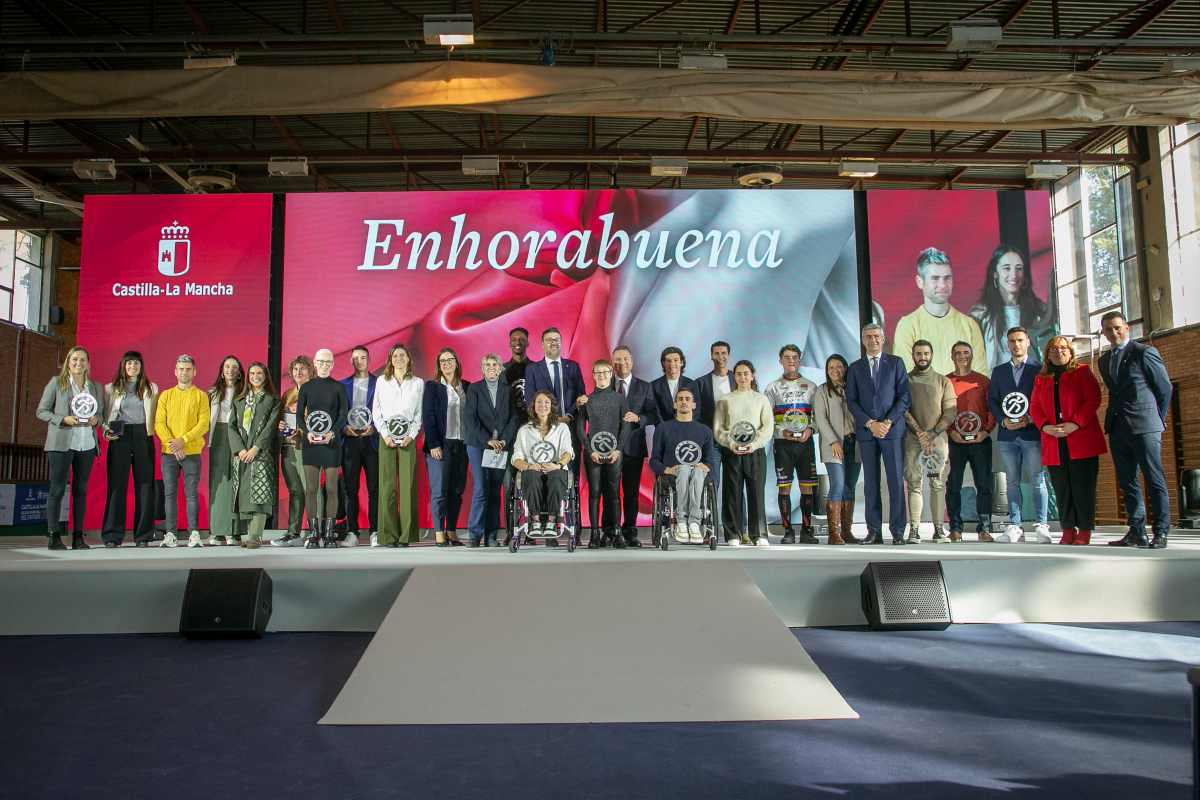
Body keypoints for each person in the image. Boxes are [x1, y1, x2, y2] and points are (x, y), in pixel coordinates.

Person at [1099, 311, 1173, 548]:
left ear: (1127, 328)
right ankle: (1136, 531)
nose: (1114, 333)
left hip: (1145, 426)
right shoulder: (1103, 360)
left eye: (1117, 328)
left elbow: (1164, 389)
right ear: (1103, 332)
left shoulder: (1144, 352)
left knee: (1154, 478)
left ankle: (1161, 532)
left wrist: (1156, 419)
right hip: (1118, 427)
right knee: (1127, 481)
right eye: (1109, 329)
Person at [1030, 336, 1107, 546]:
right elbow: (1034, 407)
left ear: (1070, 352)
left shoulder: (1082, 371)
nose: (1058, 352)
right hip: (1054, 441)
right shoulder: (1041, 378)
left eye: (1063, 348)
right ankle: (1067, 529)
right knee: (1062, 488)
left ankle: (1084, 530)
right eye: (1053, 349)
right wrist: (1046, 427)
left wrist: (1076, 424)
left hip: (1081, 440)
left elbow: (1093, 399)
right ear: (1047, 354)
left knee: (1083, 488)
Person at [845, 323, 911, 545]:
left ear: (883, 339)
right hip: (867, 433)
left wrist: (888, 422)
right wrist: (870, 423)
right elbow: (851, 401)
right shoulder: (855, 368)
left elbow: (904, 397)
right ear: (863, 340)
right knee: (871, 484)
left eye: (876, 336)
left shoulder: (895, 363)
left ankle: (898, 532)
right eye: (868, 336)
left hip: (892, 432)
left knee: (895, 482)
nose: (872, 340)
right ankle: (874, 532)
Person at [36, 346, 104, 550]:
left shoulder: (95, 387)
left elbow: (101, 415)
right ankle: (53, 535)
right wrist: (62, 419)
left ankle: (77, 537)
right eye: (74, 359)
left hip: (87, 444)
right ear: (68, 361)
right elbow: (42, 411)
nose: (78, 363)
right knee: (56, 490)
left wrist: (96, 420)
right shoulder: (57, 383)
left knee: (81, 491)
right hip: (61, 444)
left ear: (88, 364)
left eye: (82, 360)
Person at [987, 327, 1051, 543]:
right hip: (1007, 436)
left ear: (1028, 342)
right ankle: (1015, 526)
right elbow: (992, 400)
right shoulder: (999, 372)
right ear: (1007, 344)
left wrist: (1031, 418)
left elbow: (1044, 399)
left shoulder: (1039, 369)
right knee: (1012, 482)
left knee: (1037, 479)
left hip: (1032, 433)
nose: (1016, 344)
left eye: (1020, 340)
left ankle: (1042, 525)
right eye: (1012, 341)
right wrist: (1003, 420)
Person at [891, 247, 988, 376]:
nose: (942, 285)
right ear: (920, 282)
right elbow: (906, 380)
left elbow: (980, 379)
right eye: (935, 278)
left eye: (947, 278)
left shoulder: (970, 326)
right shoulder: (907, 326)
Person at [100, 351, 158, 548]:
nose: (133, 367)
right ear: (123, 366)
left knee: (145, 486)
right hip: (120, 432)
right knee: (117, 486)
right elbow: (104, 415)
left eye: (136, 363)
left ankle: (143, 536)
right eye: (129, 363)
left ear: (141, 366)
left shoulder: (151, 388)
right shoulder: (111, 388)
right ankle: (112, 535)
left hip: (143, 434)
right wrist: (107, 431)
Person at [763, 344, 820, 544]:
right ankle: (787, 531)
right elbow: (767, 420)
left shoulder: (811, 386)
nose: (791, 361)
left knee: (807, 488)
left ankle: (806, 530)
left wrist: (810, 429)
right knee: (784, 488)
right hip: (783, 444)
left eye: (795, 357)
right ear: (780, 361)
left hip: (805, 444)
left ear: (799, 359)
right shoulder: (772, 387)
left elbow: (818, 417)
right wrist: (782, 432)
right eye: (787, 357)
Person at [713, 360, 773, 547]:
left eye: (746, 373)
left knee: (756, 493)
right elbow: (718, 428)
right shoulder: (725, 400)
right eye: (739, 374)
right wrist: (731, 443)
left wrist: (754, 445)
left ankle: (759, 534)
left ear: (752, 375)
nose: (742, 377)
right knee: (732, 493)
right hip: (732, 452)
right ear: (734, 376)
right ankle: (733, 534)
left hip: (755, 453)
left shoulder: (761, 399)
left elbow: (767, 427)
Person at [902, 340, 957, 543]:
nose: (922, 357)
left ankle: (939, 530)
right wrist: (919, 432)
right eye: (918, 353)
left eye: (926, 353)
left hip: (938, 440)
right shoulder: (904, 381)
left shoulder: (943, 381)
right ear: (913, 355)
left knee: (936, 483)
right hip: (911, 439)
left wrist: (933, 433)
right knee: (914, 484)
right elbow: (903, 409)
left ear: (931, 355)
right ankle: (914, 530)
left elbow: (950, 411)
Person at [153, 354, 209, 548]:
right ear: (175, 372)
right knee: (169, 494)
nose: (184, 372)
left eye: (187, 369)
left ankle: (194, 533)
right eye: (181, 369)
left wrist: (183, 441)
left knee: (191, 493)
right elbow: (159, 423)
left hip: (191, 452)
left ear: (194, 372)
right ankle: (171, 534)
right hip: (169, 453)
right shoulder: (166, 395)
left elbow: (203, 424)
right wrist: (172, 445)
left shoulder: (201, 395)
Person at [650, 388, 719, 544]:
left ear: (694, 405)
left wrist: (705, 467)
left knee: (696, 470)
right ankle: (681, 521)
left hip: (697, 475)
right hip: (672, 475)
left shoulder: (704, 431)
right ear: (675, 404)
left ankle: (694, 522)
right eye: (680, 399)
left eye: (688, 399)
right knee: (684, 468)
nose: (684, 402)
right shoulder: (663, 428)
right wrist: (667, 469)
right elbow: (653, 460)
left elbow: (710, 461)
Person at [371, 343, 423, 548]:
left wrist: (412, 435)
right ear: (390, 360)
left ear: (409, 359)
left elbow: (419, 413)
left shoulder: (418, 383)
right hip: (387, 439)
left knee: (407, 487)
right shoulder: (382, 382)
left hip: (409, 439)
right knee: (387, 487)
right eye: (395, 356)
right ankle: (388, 535)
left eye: (403, 355)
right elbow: (376, 411)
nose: (399, 359)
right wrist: (385, 434)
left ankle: (406, 536)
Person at [970, 244, 1053, 371]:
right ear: (995, 274)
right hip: (996, 384)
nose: (1014, 274)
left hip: (1032, 382)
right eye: (1006, 268)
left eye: (1019, 268)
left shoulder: (1038, 310)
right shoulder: (979, 315)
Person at [575, 359, 629, 548]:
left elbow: (626, 425)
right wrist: (589, 450)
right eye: (597, 372)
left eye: (605, 372)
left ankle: (616, 531)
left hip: (615, 453)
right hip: (593, 455)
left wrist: (619, 449)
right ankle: (595, 534)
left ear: (611, 373)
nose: (602, 375)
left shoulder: (619, 398)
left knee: (614, 493)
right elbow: (581, 428)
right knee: (594, 493)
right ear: (593, 375)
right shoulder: (586, 399)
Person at [465, 353, 518, 547]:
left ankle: (491, 536)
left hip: (501, 447)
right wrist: (488, 440)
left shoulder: (508, 390)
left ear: (500, 368)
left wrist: (503, 440)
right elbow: (470, 419)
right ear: (482, 368)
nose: (491, 368)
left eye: (495, 364)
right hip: (478, 445)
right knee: (481, 488)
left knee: (495, 491)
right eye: (487, 365)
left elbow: (513, 419)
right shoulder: (474, 389)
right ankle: (474, 534)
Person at [946, 341, 995, 542]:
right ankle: (955, 528)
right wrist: (950, 431)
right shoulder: (946, 381)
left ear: (971, 355)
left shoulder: (983, 381)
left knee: (984, 485)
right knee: (954, 485)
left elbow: (992, 408)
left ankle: (984, 528)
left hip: (980, 440)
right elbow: (942, 411)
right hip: (955, 440)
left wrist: (986, 431)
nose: (962, 356)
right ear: (952, 356)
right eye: (958, 353)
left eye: (966, 352)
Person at [299, 348, 348, 548]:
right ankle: (313, 533)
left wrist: (332, 432)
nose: (325, 365)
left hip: (331, 444)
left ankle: (328, 534)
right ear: (315, 363)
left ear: (333, 364)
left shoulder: (338, 387)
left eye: (328, 362)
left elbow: (343, 413)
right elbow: (299, 417)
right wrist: (307, 432)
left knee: (331, 489)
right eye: (321, 361)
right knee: (310, 489)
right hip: (311, 444)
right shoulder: (306, 387)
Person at [229, 362, 280, 549]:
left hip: (261, 453)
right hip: (242, 454)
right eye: (252, 373)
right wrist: (240, 449)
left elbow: (270, 427)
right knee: (245, 495)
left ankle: (256, 536)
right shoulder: (239, 400)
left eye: (259, 373)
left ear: (265, 376)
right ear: (248, 377)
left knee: (260, 493)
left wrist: (256, 448)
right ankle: (249, 535)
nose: (255, 376)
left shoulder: (272, 400)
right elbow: (231, 426)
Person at [524, 326, 586, 481]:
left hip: (570, 426)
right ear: (542, 344)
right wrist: (550, 419)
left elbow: (581, 396)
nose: (553, 342)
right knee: (546, 473)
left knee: (572, 473)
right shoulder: (532, 369)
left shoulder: (572, 366)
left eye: (556, 339)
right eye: (549, 340)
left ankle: (572, 504)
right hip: (544, 429)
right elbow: (530, 399)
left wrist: (569, 416)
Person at [512, 390, 575, 541]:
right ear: (533, 406)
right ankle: (534, 520)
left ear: (552, 406)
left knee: (558, 475)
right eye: (539, 402)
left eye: (546, 402)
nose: (543, 405)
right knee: (530, 475)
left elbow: (568, 452)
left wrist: (558, 465)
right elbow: (516, 457)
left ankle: (552, 521)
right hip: (533, 468)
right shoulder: (524, 430)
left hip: (555, 468)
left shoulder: (562, 428)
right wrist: (528, 466)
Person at [813, 354, 861, 546]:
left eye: (839, 367)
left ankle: (847, 531)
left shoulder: (853, 390)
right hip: (833, 445)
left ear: (845, 368)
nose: (835, 371)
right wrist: (833, 441)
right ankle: (834, 533)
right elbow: (821, 419)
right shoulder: (822, 391)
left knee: (849, 487)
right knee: (838, 485)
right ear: (826, 370)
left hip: (854, 443)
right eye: (831, 367)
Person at [423, 348, 469, 547]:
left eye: (450, 360)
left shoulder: (466, 386)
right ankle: (439, 531)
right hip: (441, 445)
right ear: (438, 365)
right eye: (442, 361)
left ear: (457, 362)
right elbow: (428, 416)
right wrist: (433, 443)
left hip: (462, 444)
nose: (446, 363)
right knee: (440, 491)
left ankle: (451, 530)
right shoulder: (433, 387)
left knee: (456, 491)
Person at [612, 345, 656, 547]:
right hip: (609, 449)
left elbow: (653, 414)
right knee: (610, 492)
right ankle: (611, 530)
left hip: (633, 448)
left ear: (632, 361)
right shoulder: (605, 384)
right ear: (613, 363)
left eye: (625, 359)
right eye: (618, 360)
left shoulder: (644, 387)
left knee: (631, 493)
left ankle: (630, 531)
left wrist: (639, 418)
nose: (622, 363)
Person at [339, 345, 379, 547]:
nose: (359, 361)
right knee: (350, 489)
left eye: (363, 357)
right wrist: (344, 428)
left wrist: (376, 428)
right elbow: (337, 413)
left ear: (369, 359)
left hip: (372, 442)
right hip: (350, 442)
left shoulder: (380, 383)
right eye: (355, 358)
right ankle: (352, 532)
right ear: (351, 361)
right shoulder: (342, 385)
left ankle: (375, 532)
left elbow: (385, 411)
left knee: (374, 489)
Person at [273, 355, 312, 547]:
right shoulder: (287, 394)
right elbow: (281, 419)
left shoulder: (315, 393)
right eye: (295, 369)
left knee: (310, 491)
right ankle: (293, 532)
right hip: (287, 448)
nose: (298, 372)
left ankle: (316, 531)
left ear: (310, 371)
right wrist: (280, 426)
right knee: (295, 491)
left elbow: (319, 422)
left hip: (306, 449)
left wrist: (301, 432)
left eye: (302, 369)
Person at [205, 355, 244, 546]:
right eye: (227, 366)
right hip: (219, 436)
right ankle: (217, 530)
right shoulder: (212, 392)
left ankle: (234, 531)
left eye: (234, 367)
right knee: (219, 482)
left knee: (236, 481)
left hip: (238, 436)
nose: (230, 370)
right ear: (222, 370)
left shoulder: (245, 392)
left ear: (239, 372)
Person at [650, 345, 696, 425]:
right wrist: (667, 429)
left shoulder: (692, 384)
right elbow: (655, 413)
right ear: (663, 363)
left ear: (681, 362)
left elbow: (696, 410)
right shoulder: (654, 386)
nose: (672, 364)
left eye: (676, 360)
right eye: (668, 361)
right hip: (664, 431)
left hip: (688, 429)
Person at [694, 341, 733, 429]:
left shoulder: (737, 379)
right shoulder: (701, 383)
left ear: (728, 355)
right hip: (711, 432)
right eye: (716, 353)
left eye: (723, 353)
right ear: (711, 356)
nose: (720, 357)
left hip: (735, 431)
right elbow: (696, 413)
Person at [503, 326, 530, 413]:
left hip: (532, 419)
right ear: (510, 343)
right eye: (514, 340)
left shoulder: (537, 368)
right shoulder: (501, 370)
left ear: (527, 343)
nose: (517, 342)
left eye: (522, 339)